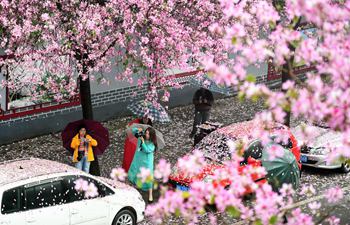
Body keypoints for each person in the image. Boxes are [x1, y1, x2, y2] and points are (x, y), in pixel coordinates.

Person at [128, 127, 157, 203]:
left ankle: (150, 195)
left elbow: (147, 150)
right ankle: (137, 188)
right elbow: (133, 131)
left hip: (147, 163)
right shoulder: (140, 137)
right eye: (146, 132)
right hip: (138, 159)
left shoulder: (152, 144)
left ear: (151, 135)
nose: (146, 134)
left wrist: (143, 142)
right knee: (137, 173)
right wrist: (138, 129)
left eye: (148, 134)